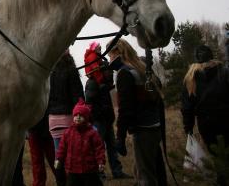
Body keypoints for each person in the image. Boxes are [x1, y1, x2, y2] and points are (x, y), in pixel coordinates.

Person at [107, 38, 167, 186]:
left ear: (117, 52)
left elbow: (125, 109)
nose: (110, 58)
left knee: (146, 177)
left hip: (143, 129)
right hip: (154, 126)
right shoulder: (141, 67)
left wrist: (120, 137)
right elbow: (157, 95)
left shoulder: (124, 73)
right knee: (155, 170)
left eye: (110, 55)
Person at [181, 45, 229, 186]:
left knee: (217, 157)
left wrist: (188, 127)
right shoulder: (224, 72)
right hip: (226, 120)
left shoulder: (190, 78)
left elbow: (187, 107)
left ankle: (222, 181)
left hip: (206, 124)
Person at [83, 41, 131, 180]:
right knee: (98, 148)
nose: (109, 73)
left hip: (106, 117)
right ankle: (99, 174)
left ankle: (117, 171)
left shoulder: (104, 84)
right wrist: (96, 116)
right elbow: (90, 103)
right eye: (107, 71)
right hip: (98, 119)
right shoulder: (92, 83)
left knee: (111, 146)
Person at [47, 51, 84, 186]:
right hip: (69, 118)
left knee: (59, 155)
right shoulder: (71, 70)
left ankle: (61, 182)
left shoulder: (49, 71)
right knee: (74, 156)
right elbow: (78, 96)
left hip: (53, 120)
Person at [54, 99, 105, 186]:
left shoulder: (92, 133)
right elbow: (62, 148)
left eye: (81, 115)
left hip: (89, 169)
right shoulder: (68, 132)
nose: (78, 117)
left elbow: (99, 149)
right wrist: (59, 159)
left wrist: (101, 162)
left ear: (86, 118)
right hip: (72, 169)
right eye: (76, 115)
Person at [27, 113, 56, 186]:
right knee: (37, 162)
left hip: (48, 127)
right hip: (34, 129)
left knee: (54, 159)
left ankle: (62, 181)